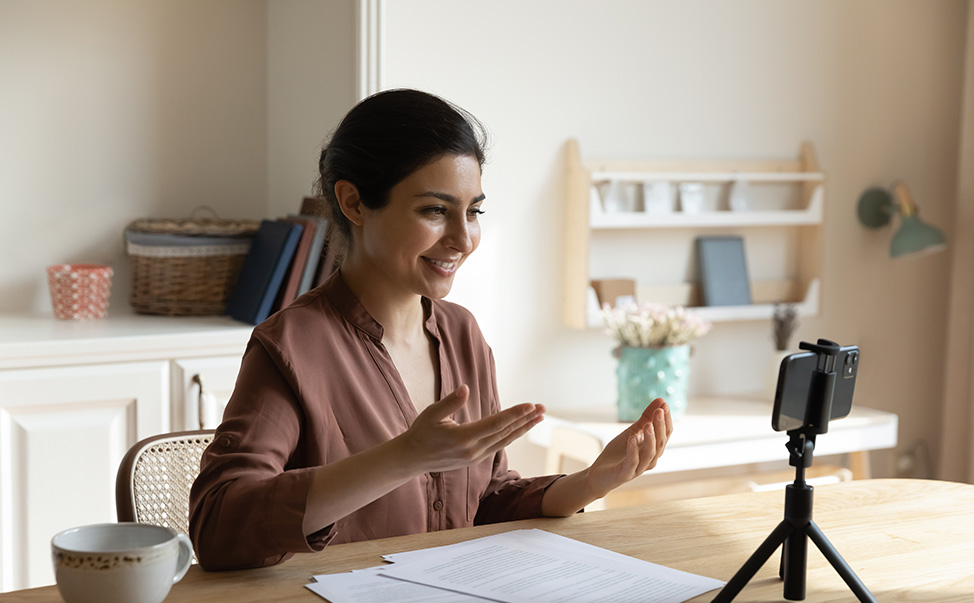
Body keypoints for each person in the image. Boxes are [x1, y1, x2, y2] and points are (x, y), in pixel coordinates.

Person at [189, 89, 671, 571]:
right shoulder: (292, 345)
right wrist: (403, 457)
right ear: (353, 202)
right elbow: (219, 527)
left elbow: (485, 500)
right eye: (435, 211)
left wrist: (591, 482)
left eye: (474, 211)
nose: (464, 239)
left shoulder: (463, 334)